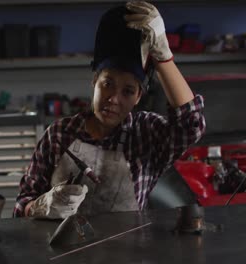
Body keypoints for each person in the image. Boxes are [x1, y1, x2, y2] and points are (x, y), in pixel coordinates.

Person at [13, 1, 206, 219]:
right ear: (94, 81)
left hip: (129, 251)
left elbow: (191, 125)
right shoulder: (59, 134)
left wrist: (164, 57)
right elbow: (21, 207)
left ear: (138, 97)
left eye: (128, 91)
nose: (114, 98)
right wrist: (40, 206)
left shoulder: (146, 135)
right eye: (107, 84)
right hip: (61, 250)